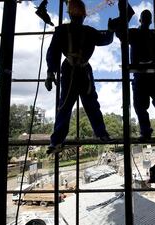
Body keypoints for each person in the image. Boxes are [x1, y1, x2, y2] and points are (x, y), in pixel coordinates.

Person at [45, 0, 114, 153]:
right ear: (84, 16)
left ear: (69, 14)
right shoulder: (89, 31)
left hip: (70, 70)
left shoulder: (62, 30)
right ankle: (101, 134)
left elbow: (53, 52)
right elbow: (105, 40)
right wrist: (110, 31)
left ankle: (56, 141)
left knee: (65, 106)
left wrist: (51, 72)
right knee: (90, 104)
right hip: (83, 71)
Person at [111, 4, 155, 141]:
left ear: (145, 21)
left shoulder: (137, 34)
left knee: (144, 105)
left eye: (147, 18)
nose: (146, 20)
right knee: (154, 105)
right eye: (146, 18)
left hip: (145, 76)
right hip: (151, 76)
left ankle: (149, 132)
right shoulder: (139, 34)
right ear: (145, 20)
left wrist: (121, 19)